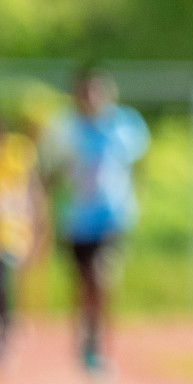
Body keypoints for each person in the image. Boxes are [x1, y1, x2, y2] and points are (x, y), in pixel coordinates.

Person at [40, 68, 150, 374]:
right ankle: (84, 337)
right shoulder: (64, 130)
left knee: (102, 277)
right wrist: (45, 214)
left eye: (97, 92)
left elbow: (138, 164)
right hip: (76, 219)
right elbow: (49, 175)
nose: (91, 99)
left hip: (113, 217)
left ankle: (98, 345)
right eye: (85, 93)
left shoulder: (124, 126)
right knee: (82, 283)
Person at [0, 114, 47, 366]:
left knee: (5, 283)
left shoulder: (19, 153)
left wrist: (40, 226)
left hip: (12, 233)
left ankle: (7, 330)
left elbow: (33, 189)